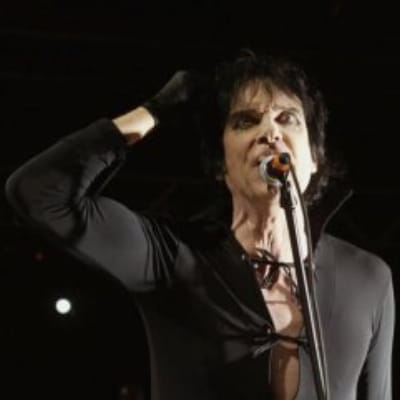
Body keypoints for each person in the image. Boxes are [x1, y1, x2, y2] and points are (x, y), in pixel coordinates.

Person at [5, 50, 394, 400]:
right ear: (221, 164)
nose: (270, 132)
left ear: (314, 158)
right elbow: (39, 192)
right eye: (246, 121)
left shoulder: (367, 277)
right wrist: (155, 110)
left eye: (286, 118)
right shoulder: (172, 257)